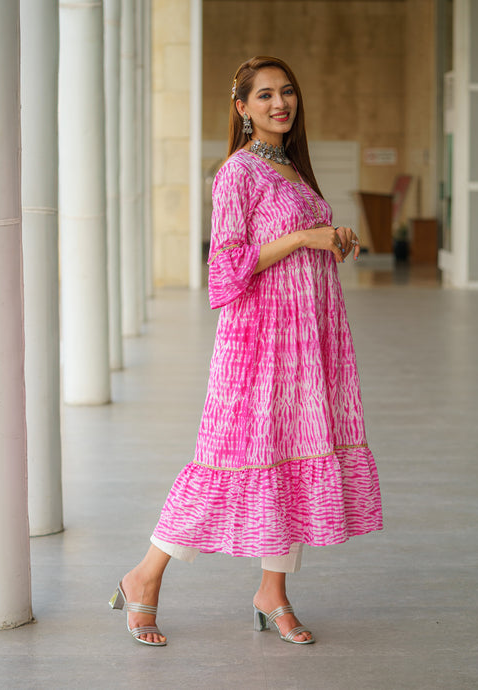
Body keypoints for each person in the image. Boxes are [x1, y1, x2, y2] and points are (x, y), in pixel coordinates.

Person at [109, 56, 383, 647]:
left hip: (308, 341)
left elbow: (293, 245)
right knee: (227, 463)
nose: (279, 103)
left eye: (286, 93)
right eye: (264, 96)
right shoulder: (237, 172)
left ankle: (272, 593)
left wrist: (331, 240)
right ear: (242, 108)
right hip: (258, 342)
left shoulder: (291, 169)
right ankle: (144, 577)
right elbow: (226, 268)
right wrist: (306, 236)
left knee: (292, 462)